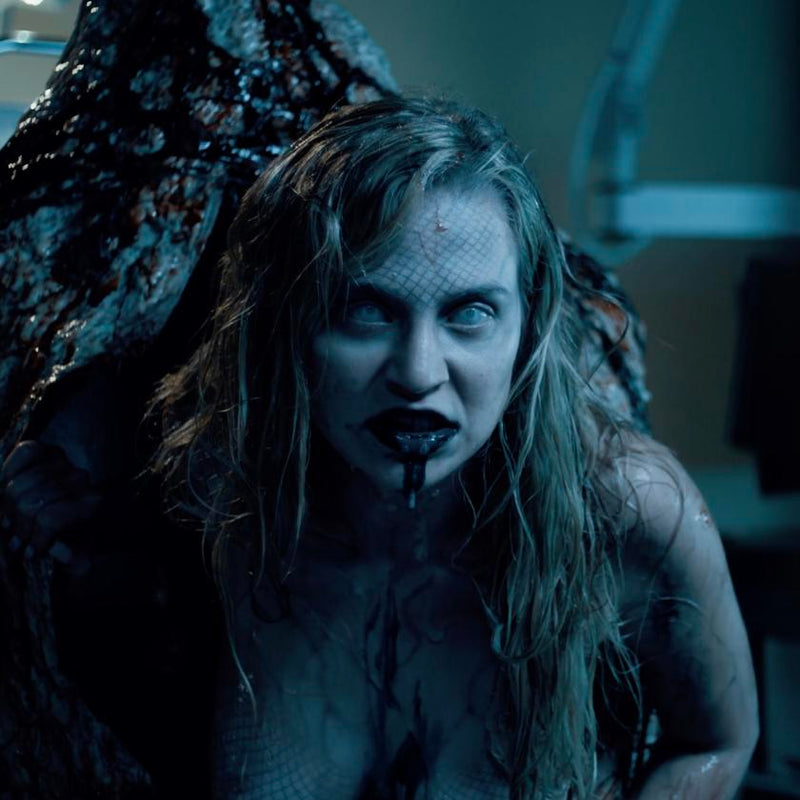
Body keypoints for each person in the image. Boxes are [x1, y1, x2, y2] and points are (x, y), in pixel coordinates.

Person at [4, 96, 757, 799]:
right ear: (286, 326)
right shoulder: (217, 483)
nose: (418, 373)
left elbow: (717, 743)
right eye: (365, 309)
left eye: (470, 313)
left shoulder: (624, 512)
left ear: (528, 327)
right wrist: (88, 539)